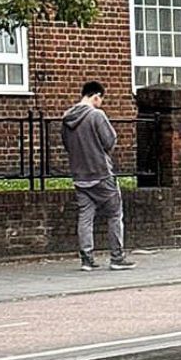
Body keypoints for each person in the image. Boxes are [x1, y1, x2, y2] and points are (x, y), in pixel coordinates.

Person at [62, 81, 135, 271]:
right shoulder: (96, 115)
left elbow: (67, 145)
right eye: (101, 99)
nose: (101, 102)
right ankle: (117, 257)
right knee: (114, 214)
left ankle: (87, 259)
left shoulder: (67, 117)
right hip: (101, 173)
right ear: (96, 96)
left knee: (85, 217)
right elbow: (110, 141)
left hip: (79, 174)